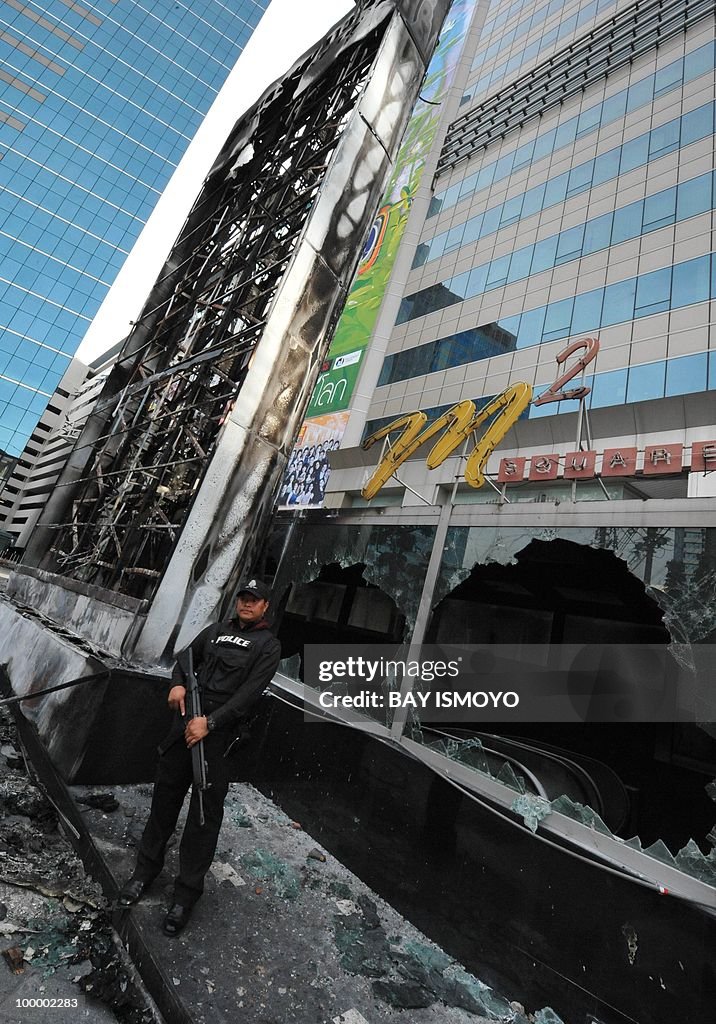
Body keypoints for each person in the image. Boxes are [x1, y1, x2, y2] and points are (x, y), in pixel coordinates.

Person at [117, 578, 281, 935]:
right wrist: (176, 683)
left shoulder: (268, 646)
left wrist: (211, 723)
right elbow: (185, 660)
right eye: (244, 598)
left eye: (255, 600)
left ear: (265, 606)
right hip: (184, 727)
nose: (247, 604)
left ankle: (185, 896)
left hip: (218, 737)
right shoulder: (217, 630)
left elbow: (250, 695)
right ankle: (144, 872)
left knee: (204, 819)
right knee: (164, 802)